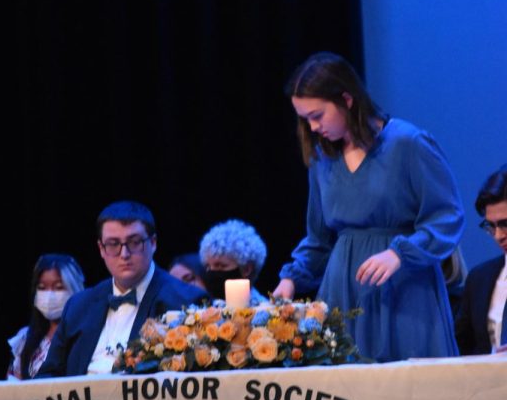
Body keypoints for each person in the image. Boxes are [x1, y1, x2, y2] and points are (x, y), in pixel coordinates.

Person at [272, 52, 464, 362]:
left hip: (405, 292)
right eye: (305, 118)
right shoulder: (324, 159)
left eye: (318, 115)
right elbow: (319, 240)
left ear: (347, 99)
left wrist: (399, 253)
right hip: (343, 293)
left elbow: (447, 218)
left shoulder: (407, 143)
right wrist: (291, 279)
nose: (312, 126)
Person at [37, 201, 207, 377]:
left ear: (153, 243)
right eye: (113, 244)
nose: (124, 254)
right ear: (101, 249)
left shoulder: (185, 302)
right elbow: (48, 376)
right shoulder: (78, 306)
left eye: (134, 242)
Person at [7, 253, 86, 380]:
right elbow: (12, 388)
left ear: (75, 289)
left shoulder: (87, 336)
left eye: (58, 287)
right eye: (42, 287)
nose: (49, 295)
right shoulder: (25, 338)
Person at [455, 166, 507, 355]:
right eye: (491, 226)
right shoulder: (479, 280)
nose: (498, 236)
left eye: (505, 224)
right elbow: (463, 353)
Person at [199, 219, 268, 304]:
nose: (211, 272)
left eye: (220, 266)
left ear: (246, 269)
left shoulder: (265, 312)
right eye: (208, 266)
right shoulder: (203, 311)